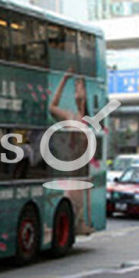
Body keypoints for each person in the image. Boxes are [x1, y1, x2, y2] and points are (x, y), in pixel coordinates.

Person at [49, 68, 94, 235]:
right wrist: (64, 79)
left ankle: (83, 223)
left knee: (77, 208)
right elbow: (52, 106)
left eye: (80, 86)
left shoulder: (88, 121)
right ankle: (80, 224)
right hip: (71, 173)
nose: (77, 91)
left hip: (79, 174)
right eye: (75, 87)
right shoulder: (70, 117)